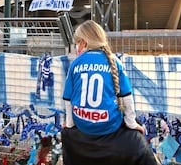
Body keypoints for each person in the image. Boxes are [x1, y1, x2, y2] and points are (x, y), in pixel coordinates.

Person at [61, 20, 158, 165]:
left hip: (82, 126)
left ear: (84, 43)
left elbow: (67, 98)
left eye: (77, 42)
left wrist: (69, 123)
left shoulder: (75, 63)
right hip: (109, 126)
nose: (76, 47)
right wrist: (131, 123)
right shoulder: (114, 62)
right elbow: (127, 96)